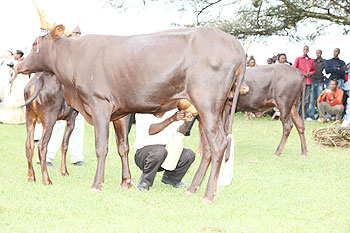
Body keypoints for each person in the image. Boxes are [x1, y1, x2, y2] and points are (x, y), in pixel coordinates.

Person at [34, 26, 85, 167]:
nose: (77, 35)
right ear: (67, 35)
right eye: (74, 33)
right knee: (55, 123)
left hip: (75, 94)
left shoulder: (81, 52)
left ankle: (76, 157)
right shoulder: (57, 50)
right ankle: (46, 157)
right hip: (56, 94)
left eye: (79, 33)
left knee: (77, 123)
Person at [133, 109, 195, 190]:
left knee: (189, 154)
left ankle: (171, 179)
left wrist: (187, 122)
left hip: (167, 152)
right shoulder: (144, 110)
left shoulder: (172, 110)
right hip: (145, 153)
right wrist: (171, 119)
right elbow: (151, 130)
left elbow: (180, 132)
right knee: (159, 151)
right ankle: (145, 181)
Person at [0, 50, 30, 124]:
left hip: (18, 82)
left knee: (15, 97)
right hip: (23, 81)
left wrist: (12, 84)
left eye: (15, 54)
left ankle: (16, 117)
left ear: (19, 55)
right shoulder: (23, 62)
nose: (14, 56)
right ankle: (22, 116)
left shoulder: (19, 63)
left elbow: (15, 75)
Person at [294, 45, 315, 119]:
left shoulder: (311, 60)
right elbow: (294, 69)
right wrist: (302, 73)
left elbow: (313, 70)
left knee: (306, 100)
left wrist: (310, 73)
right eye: (304, 49)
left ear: (308, 50)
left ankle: (305, 115)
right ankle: (297, 115)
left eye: (307, 49)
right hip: (299, 82)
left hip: (308, 82)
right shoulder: (298, 59)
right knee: (299, 100)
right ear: (303, 50)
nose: (305, 50)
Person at [307, 49, 325, 121]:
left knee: (319, 99)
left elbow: (326, 70)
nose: (318, 54)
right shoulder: (312, 61)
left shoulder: (324, 62)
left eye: (319, 53)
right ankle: (311, 115)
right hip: (313, 81)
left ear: (321, 53)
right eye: (317, 53)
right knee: (312, 100)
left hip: (321, 81)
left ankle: (319, 116)